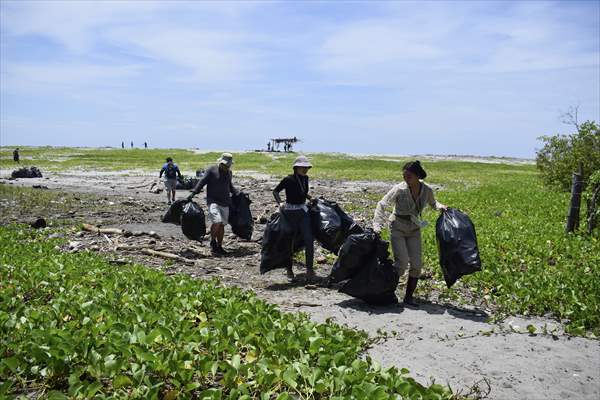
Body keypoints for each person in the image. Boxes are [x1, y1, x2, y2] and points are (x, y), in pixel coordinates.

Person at [372, 160, 447, 306]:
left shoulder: (427, 190)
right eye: (404, 176)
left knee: (417, 265)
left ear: (418, 176)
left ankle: (408, 297)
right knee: (401, 263)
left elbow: (433, 203)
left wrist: (441, 207)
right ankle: (386, 291)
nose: (406, 178)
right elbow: (382, 203)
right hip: (398, 226)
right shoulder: (399, 189)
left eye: (409, 176)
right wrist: (377, 225)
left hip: (414, 228)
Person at [272, 155, 315, 282]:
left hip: (303, 210)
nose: (305, 169)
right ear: (296, 168)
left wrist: (309, 198)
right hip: (290, 212)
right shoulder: (288, 179)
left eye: (306, 167)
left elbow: (302, 192)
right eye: (303, 167)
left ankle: (309, 269)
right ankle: (289, 269)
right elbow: (275, 191)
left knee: (309, 239)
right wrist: (280, 203)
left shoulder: (306, 178)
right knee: (288, 241)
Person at [188, 153, 239, 256]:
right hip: (213, 201)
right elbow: (202, 181)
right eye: (225, 165)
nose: (226, 167)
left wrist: (237, 193)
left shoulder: (229, 173)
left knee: (222, 225)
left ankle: (219, 246)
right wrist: (194, 192)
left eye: (228, 165)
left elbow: (229, 186)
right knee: (217, 221)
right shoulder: (212, 170)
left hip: (225, 202)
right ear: (220, 163)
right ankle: (212, 241)